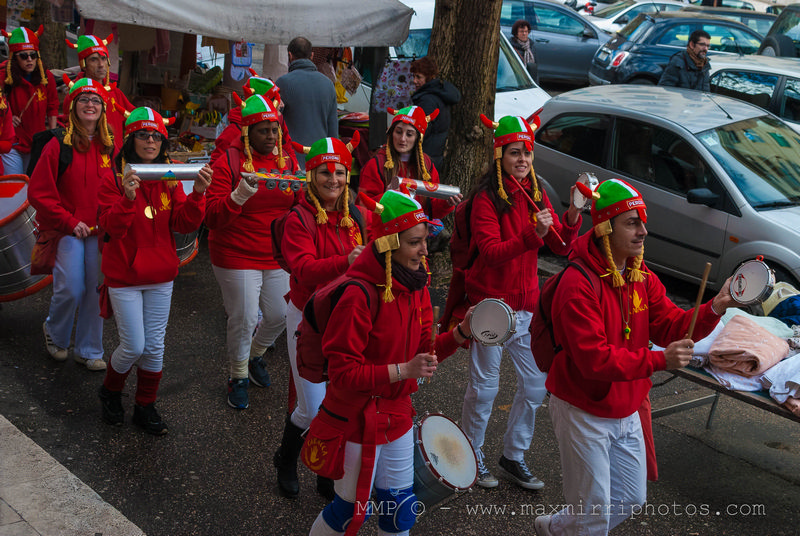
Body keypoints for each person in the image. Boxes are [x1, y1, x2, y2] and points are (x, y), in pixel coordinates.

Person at [533, 178, 736, 536]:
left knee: (630, 499)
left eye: (643, 221)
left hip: (627, 405)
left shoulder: (639, 274)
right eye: (632, 222)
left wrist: (714, 307)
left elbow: (671, 325)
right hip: (583, 408)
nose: (644, 231)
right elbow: (593, 360)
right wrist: (659, 361)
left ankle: (557, 529)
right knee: (595, 513)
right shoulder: (576, 284)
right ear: (605, 229)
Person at [307, 189, 474, 536]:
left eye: (426, 240)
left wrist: (460, 333)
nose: (426, 250)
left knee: (400, 512)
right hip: (354, 418)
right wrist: (403, 370)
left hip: (396, 415)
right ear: (387, 244)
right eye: (415, 243)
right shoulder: (357, 294)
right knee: (348, 512)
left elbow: (424, 356)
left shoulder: (417, 286)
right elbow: (341, 374)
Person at [460, 115, 582, 490]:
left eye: (527, 152)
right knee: (485, 389)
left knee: (534, 384)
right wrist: (533, 234)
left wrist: (574, 213)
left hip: (526, 308)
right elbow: (491, 253)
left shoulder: (536, 191)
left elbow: (562, 246)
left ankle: (513, 455)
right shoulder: (486, 198)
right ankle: (470, 453)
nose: (523, 159)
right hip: (491, 308)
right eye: (515, 152)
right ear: (500, 156)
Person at [97, 107, 211, 435]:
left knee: (155, 345)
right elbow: (111, 228)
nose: (150, 140)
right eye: (144, 134)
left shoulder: (169, 174)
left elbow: (183, 223)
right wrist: (128, 198)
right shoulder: (112, 177)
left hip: (160, 273)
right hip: (125, 275)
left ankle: (145, 405)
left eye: (156, 135)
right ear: (130, 139)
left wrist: (199, 194)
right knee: (133, 345)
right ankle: (110, 390)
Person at [273, 135, 366, 500]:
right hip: (307, 320)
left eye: (340, 172)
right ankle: (285, 457)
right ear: (311, 175)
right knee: (313, 408)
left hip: (345, 319)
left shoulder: (354, 214)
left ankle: (325, 471)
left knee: (339, 400)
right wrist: (347, 261)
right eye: (325, 172)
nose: (334, 179)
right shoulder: (299, 218)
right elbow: (303, 268)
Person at [205, 94, 300, 410]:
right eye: (264, 130)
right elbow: (213, 216)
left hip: (274, 253)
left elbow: (299, 203)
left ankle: (255, 354)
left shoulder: (287, 160)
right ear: (247, 133)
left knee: (280, 314)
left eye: (275, 129)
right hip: (235, 253)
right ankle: (238, 374)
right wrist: (238, 196)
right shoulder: (227, 162)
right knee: (244, 317)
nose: (272, 136)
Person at [27, 78, 114, 371]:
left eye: (96, 100)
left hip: (99, 230)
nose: (90, 104)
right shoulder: (57, 143)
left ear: (103, 108)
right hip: (68, 229)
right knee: (72, 288)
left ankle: (89, 349)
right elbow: (39, 192)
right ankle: (55, 333)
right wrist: (69, 221)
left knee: (96, 289)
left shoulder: (110, 146)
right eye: (84, 99)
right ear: (73, 106)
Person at [358, 106, 461, 228]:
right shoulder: (377, 164)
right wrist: (388, 197)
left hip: (414, 235)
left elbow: (430, 209)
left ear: (418, 138)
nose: (402, 139)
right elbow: (362, 208)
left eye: (409, 134)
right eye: (398, 132)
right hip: (384, 232)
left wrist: (446, 202)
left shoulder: (426, 166)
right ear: (391, 133)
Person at [0, 26, 58, 175]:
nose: (30, 60)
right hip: (12, 143)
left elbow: (52, 107)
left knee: (31, 184)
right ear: (13, 57)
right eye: (24, 56)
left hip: (37, 142)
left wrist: (51, 135)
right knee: (17, 185)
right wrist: (7, 117)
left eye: (33, 55)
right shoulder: (3, 76)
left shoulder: (46, 77)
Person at [275, 37, 338, 169]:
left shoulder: (283, 83)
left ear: (290, 55)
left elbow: (274, 124)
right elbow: (333, 133)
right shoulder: (328, 84)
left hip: (291, 162)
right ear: (312, 55)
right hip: (319, 160)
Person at [64, 34, 135, 151]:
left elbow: (133, 119)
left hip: (113, 162)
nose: (101, 65)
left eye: (103, 58)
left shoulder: (115, 93)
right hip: (86, 156)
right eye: (94, 59)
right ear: (83, 64)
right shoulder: (74, 94)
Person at [208, 73, 294, 167]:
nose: (281, 105)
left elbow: (289, 153)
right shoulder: (232, 132)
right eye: (276, 99)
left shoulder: (278, 123)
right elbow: (215, 169)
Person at [409, 56, 461, 171]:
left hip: (424, 157)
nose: (414, 81)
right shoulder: (439, 94)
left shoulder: (427, 100)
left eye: (418, 77)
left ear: (429, 78)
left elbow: (422, 130)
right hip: (434, 156)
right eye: (413, 76)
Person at [510, 19, 538, 84]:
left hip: (530, 81)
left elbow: (535, 68)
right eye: (521, 31)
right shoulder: (511, 46)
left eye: (526, 31)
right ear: (516, 33)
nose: (524, 34)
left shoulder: (531, 46)